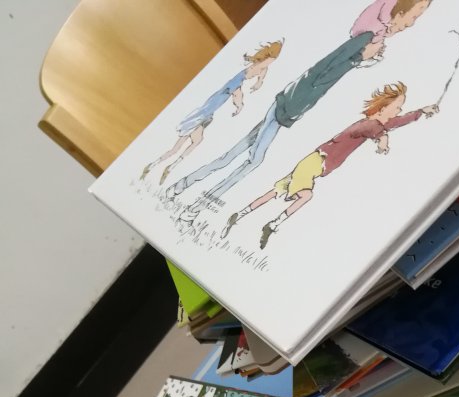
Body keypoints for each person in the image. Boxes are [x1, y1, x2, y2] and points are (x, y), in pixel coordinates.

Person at [165, 0, 433, 225]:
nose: (412, 23)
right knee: (252, 162)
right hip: (287, 106)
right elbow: (325, 69)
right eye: (414, 16)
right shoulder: (364, 39)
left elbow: (328, 72)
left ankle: (183, 186)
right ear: (399, 13)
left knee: (233, 154)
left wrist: (360, 60)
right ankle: (197, 206)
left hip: (288, 107)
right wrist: (358, 59)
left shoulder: (369, 39)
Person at [220, 82, 438, 247]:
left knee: (277, 191)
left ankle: (239, 215)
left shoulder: (376, 123)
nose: (399, 111)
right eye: (397, 107)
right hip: (315, 163)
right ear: (383, 108)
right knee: (305, 195)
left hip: (313, 163)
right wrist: (383, 141)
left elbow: (395, 123)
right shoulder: (368, 124)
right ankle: (272, 225)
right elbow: (376, 131)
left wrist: (421, 112)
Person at [140, 41, 283, 186]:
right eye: (268, 62)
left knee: (196, 141)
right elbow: (237, 93)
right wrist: (240, 106)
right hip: (201, 115)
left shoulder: (257, 69)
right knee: (177, 148)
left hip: (207, 115)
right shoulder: (237, 80)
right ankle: (155, 166)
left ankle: (168, 167)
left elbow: (262, 71)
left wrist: (259, 81)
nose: (265, 67)